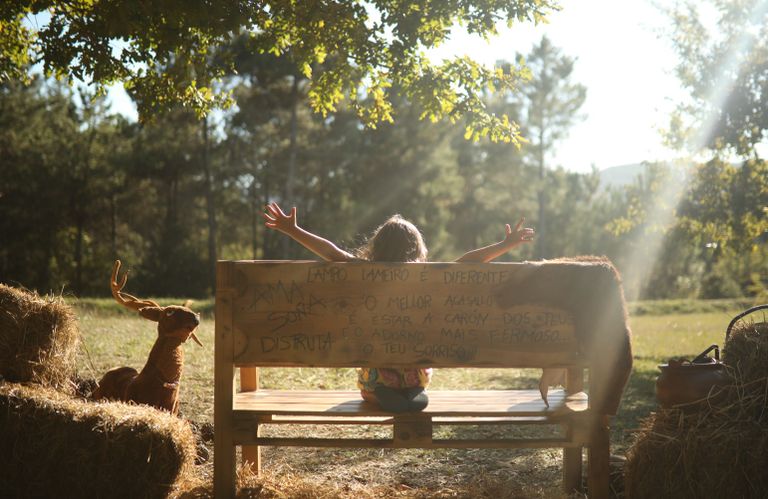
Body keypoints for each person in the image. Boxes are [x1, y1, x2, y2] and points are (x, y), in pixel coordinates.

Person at [263, 201, 534, 413]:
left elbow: (333, 253)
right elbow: (467, 262)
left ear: (376, 247)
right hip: (415, 372)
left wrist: (292, 230)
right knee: (413, 363)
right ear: (418, 249)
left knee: (377, 367)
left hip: (376, 377)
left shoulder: (364, 272)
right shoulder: (427, 278)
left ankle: (381, 390)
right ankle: (413, 390)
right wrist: (505, 244)